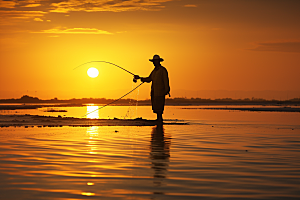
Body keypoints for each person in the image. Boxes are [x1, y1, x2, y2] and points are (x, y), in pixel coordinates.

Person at [134, 54, 170, 124]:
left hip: (160, 92)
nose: (154, 63)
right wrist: (140, 78)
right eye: (153, 61)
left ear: (158, 61)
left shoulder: (163, 70)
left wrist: (166, 90)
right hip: (154, 92)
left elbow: (166, 81)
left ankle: (159, 119)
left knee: (159, 107)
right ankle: (158, 120)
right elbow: (149, 79)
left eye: (155, 61)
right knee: (155, 107)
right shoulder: (154, 71)